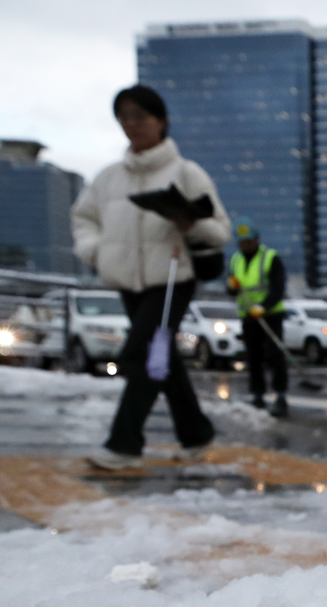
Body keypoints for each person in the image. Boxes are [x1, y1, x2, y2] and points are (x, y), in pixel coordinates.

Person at [71, 84, 231, 470]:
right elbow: (83, 219)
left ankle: (124, 444)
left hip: (174, 277)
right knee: (163, 359)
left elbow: (220, 230)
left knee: (143, 352)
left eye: (140, 115)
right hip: (127, 281)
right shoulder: (108, 178)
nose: (132, 124)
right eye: (124, 116)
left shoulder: (186, 172)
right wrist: (96, 251)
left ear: (161, 121)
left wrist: (189, 222)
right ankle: (195, 433)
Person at [226, 217, 289, 417]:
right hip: (248, 317)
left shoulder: (271, 258)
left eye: (248, 241)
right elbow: (232, 290)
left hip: (270, 315)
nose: (245, 244)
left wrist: (263, 306)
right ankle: (257, 395)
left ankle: (280, 396)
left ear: (256, 239)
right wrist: (231, 287)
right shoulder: (235, 260)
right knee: (253, 357)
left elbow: (278, 288)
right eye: (241, 241)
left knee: (275, 356)